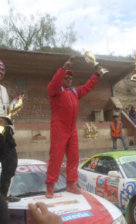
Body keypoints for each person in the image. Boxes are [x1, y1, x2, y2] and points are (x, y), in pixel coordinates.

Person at [45, 57, 102, 198]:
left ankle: (71, 184)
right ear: (62, 78)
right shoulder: (55, 91)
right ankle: (50, 186)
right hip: (59, 128)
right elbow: (53, 83)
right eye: (66, 76)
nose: (69, 79)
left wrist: (97, 74)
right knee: (56, 158)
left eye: (70, 77)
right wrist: (63, 69)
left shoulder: (75, 92)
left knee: (74, 158)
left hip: (72, 130)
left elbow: (88, 86)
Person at [0, 60, 18, 202]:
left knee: (11, 163)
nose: (1, 71)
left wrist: (13, 108)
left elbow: (6, 111)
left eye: (2, 70)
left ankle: (2, 195)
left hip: (5, 130)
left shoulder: (4, 89)